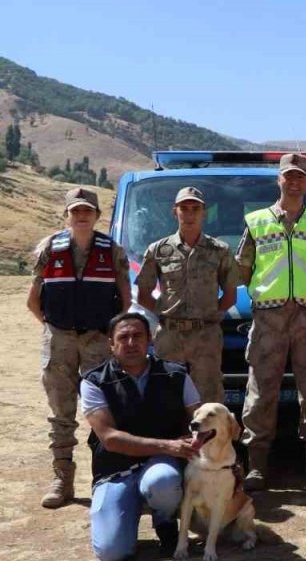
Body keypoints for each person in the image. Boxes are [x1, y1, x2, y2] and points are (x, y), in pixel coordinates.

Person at [236, 153, 306, 491]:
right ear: (279, 180)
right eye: (289, 176)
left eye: (301, 177)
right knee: (261, 391)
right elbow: (242, 268)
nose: (294, 181)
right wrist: (262, 290)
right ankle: (257, 466)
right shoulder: (256, 221)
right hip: (269, 316)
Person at [27, 187, 131, 509]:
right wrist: (55, 327)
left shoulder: (112, 250)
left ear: (98, 215)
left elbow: (125, 300)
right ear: (67, 215)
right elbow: (33, 300)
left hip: (98, 341)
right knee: (61, 412)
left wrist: (110, 336)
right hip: (59, 339)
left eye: (87, 211)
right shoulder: (49, 249)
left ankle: (109, 478)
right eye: (75, 211)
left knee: (104, 409)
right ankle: (63, 480)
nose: (81, 216)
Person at [81, 313, 201, 560]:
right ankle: (126, 510)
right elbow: (110, 438)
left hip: (162, 465)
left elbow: (199, 421)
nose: (131, 342)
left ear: (150, 340)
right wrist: (168, 445)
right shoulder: (94, 382)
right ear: (111, 344)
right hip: (115, 470)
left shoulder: (177, 375)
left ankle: (165, 522)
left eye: (138, 336)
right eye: (123, 337)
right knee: (111, 552)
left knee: (163, 481)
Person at [135, 186, 238, 405]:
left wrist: (208, 317)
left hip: (205, 335)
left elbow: (230, 296)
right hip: (169, 335)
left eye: (195, 208)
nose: (189, 214)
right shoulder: (158, 250)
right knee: (166, 391)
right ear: (175, 212)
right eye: (184, 208)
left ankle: (209, 439)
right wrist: (165, 315)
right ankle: (169, 439)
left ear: (204, 213)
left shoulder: (219, 250)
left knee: (209, 395)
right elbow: (144, 294)